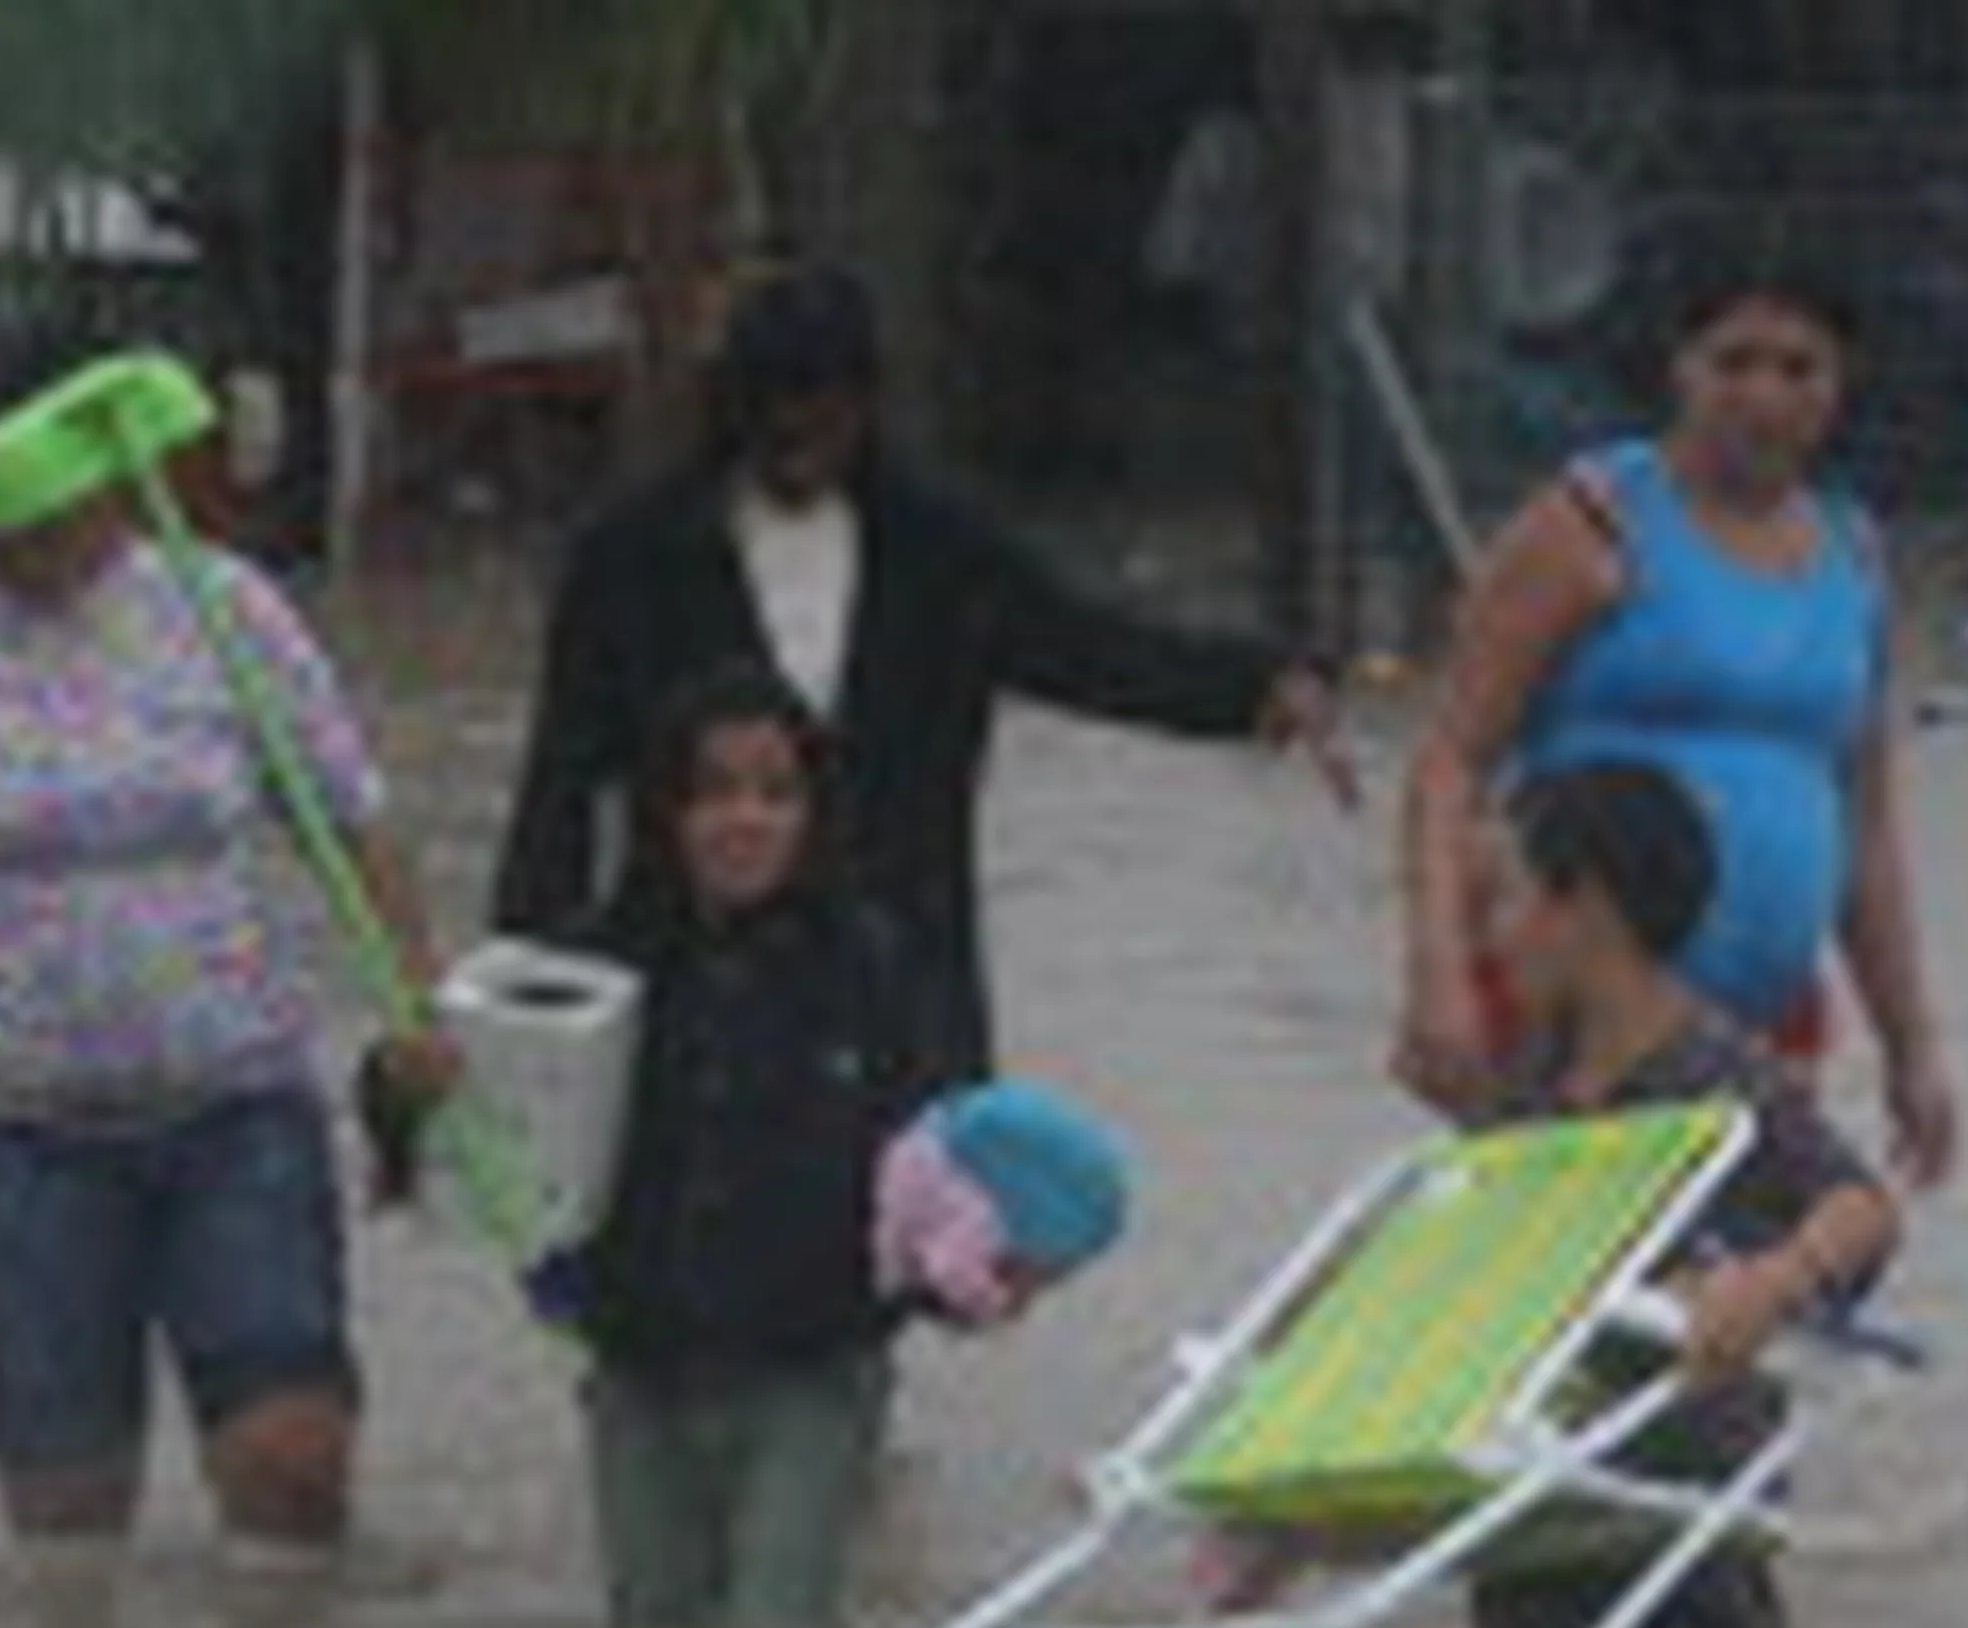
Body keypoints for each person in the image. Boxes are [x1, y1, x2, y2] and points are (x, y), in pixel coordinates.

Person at [0, 346, 454, 1552]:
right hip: (22, 1133)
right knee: (67, 1532)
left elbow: (353, 819)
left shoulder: (225, 609)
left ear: (110, 481)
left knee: (290, 1461)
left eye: (46, 511)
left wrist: (418, 1006)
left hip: (239, 1107)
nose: (22, 542)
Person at [491, 261, 1353, 1082]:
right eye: (775, 412)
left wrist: (1257, 686)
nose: (798, 439)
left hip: (903, 1001)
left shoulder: (942, 553)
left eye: (822, 412)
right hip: (688, 1008)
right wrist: (517, 996)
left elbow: (1093, 650)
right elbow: (558, 788)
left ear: (865, 406)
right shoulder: (632, 560)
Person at [1396, 259, 1960, 1192]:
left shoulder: (1854, 555)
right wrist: (1438, 973)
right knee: (1564, 1249)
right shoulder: (1593, 524)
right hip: (1569, 1012)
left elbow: (1866, 833)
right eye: (1733, 362)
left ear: (1840, 383)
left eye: (1799, 368)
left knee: (1762, 1256)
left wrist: (1912, 1047)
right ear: (1680, 368)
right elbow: (1450, 761)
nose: (1764, 396)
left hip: (1762, 1020)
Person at [1440, 759, 1899, 1628]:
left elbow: (1862, 1207)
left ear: (1587, 907)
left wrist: (1774, 1279)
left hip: (1684, 1518)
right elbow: (1458, 1261)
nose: (1488, 935)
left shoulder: (1719, 1071)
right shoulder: (1534, 1079)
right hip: (1545, 1499)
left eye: (1507, 898)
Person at [538, 661, 967, 1628]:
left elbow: (938, 1172)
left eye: (777, 793)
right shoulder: (591, 968)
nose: (746, 819)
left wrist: (982, 1269)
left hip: (816, 1374)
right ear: (663, 812)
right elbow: (487, 1138)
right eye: (713, 792)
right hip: (639, 1371)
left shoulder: (874, 967)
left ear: (816, 812)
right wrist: (405, 1088)